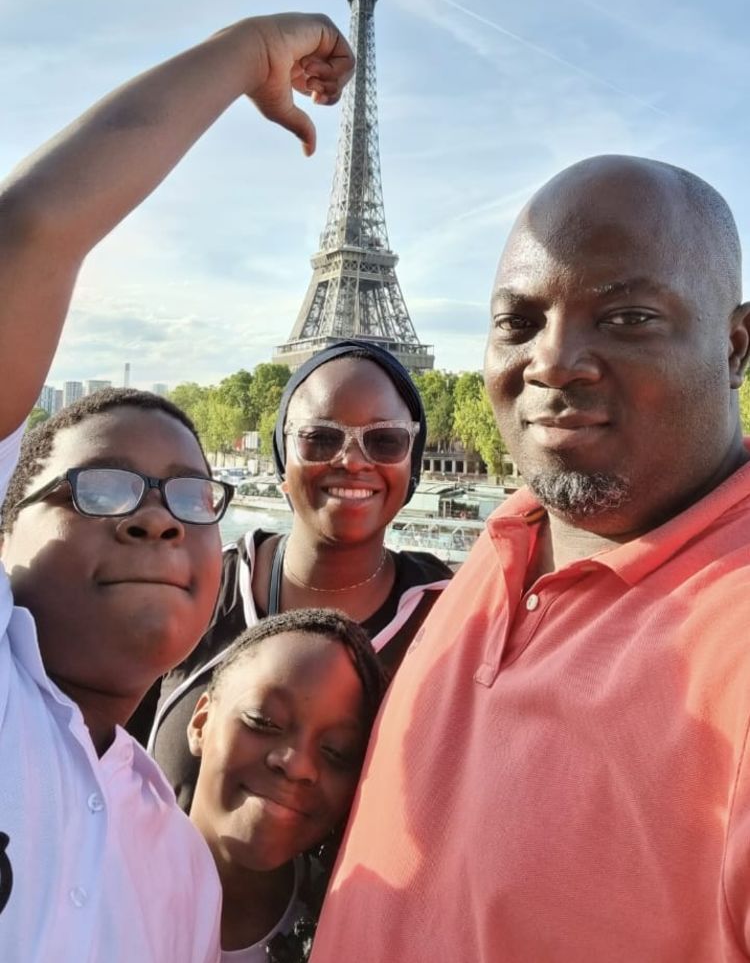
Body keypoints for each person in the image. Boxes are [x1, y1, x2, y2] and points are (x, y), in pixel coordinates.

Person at [310, 155, 750, 963]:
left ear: (734, 346)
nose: (550, 361)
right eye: (517, 323)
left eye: (626, 318)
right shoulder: (511, 533)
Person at [0, 11, 353, 961]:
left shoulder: (178, 867)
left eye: (194, 497)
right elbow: (26, 234)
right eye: (104, 488)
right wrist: (243, 58)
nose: (159, 521)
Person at [145, 340, 453, 811]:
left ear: (411, 465)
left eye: (385, 440)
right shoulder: (199, 586)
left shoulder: (453, 617)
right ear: (282, 459)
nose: (352, 460)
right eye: (321, 438)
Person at [187, 608, 386, 962]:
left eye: (336, 752)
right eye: (263, 721)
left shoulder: (357, 927)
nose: (297, 765)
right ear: (201, 722)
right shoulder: (93, 872)